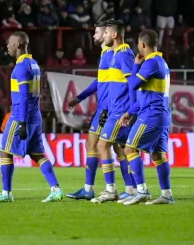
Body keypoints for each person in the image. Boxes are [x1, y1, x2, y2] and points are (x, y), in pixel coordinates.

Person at [0, 32, 63, 203]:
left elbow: (24, 96)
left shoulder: (20, 67)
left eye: (10, 43)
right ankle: (56, 189)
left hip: (22, 115)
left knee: (5, 151)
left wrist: (21, 122)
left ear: (19, 44)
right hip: (35, 116)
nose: (7, 46)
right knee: (38, 154)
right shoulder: (34, 64)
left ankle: (6, 193)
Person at [66, 21, 135, 201]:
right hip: (107, 107)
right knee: (108, 146)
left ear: (108, 34)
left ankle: (122, 188)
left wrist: (132, 109)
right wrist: (80, 97)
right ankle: (127, 188)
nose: (96, 36)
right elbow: (101, 82)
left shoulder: (115, 54)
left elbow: (130, 83)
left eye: (98, 33)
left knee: (107, 146)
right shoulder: (108, 54)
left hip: (111, 108)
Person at [119, 29, 174, 205]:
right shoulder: (161, 62)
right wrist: (129, 112)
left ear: (142, 45)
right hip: (161, 114)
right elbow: (146, 94)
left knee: (129, 149)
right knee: (158, 155)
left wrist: (135, 66)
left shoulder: (151, 62)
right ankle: (166, 194)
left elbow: (133, 84)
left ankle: (141, 190)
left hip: (151, 115)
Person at [91, 20, 136, 204]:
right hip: (115, 110)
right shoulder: (115, 54)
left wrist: (131, 110)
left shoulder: (123, 54)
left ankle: (111, 189)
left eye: (107, 33)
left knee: (102, 146)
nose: (105, 36)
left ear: (114, 35)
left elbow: (132, 84)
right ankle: (133, 188)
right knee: (123, 149)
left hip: (121, 112)